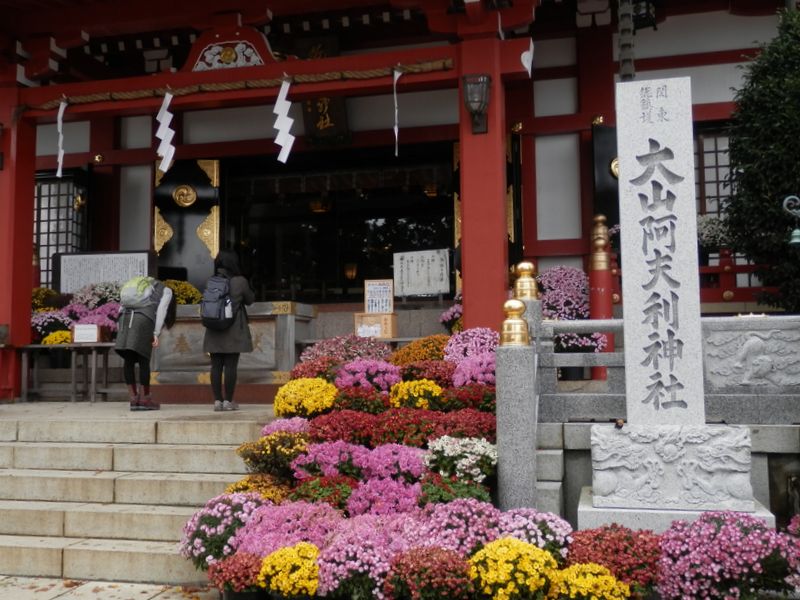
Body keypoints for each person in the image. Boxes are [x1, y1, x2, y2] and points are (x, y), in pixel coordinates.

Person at [203, 249, 254, 411]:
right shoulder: (240, 281)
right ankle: (228, 402)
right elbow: (250, 300)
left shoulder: (211, 280)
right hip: (233, 329)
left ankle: (217, 401)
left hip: (213, 327)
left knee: (216, 365)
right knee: (231, 366)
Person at [115, 277, 176, 411]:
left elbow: (121, 307)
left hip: (125, 318)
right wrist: (155, 332)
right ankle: (145, 399)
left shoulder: (138, 287)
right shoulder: (166, 290)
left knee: (128, 359)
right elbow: (161, 311)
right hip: (143, 320)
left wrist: (119, 326)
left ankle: (133, 398)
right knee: (144, 360)